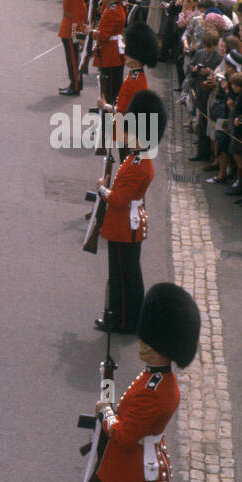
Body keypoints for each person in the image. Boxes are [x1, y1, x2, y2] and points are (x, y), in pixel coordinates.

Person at [96, 282, 200, 482]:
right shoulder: (157, 379)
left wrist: (105, 413)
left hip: (134, 474)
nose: (141, 343)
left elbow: (124, 436)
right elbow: (131, 411)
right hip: (144, 469)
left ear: (161, 348)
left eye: (148, 342)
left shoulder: (155, 390)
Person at [96, 91, 165, 334]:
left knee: (122, 279)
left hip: (123, 225)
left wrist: (102, 189)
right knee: (129, 275)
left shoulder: (138, 165)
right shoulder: (137, 158)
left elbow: (118, 200)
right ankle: (131, 318)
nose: (126, 136)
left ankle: (123, 321)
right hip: (128, 223)